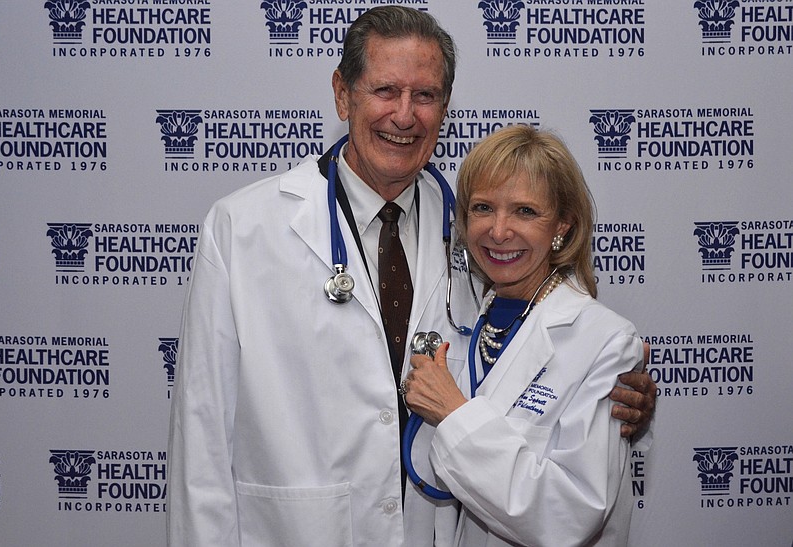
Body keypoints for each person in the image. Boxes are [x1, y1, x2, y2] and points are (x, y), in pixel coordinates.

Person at [167, 7, 654, 547]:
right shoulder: (242, 228)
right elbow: (202, 434)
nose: (404, 115)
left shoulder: (480, 231)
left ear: (445, 108)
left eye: (424, 96)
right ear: (342, 93)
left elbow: (533, 371)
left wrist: (612, 402)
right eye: (385, 91)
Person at [402, 125, 645, 546]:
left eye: (525, 212)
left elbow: (570, 514)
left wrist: (453, 414)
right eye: (482, 208)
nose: (498, 231)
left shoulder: (607, 342)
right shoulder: (465, 319)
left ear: (563, 226)